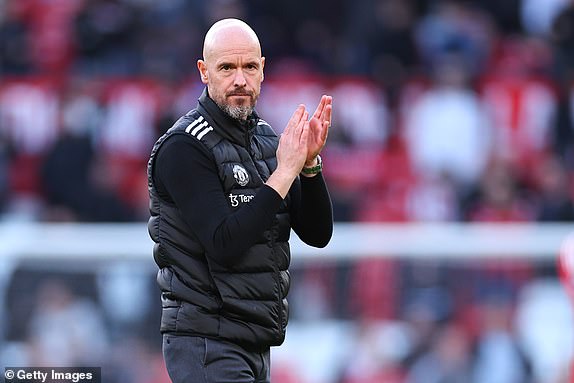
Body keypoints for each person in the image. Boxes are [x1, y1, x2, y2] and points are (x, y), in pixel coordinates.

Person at [146, 18, 334, 383]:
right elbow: (224, 243)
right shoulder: (183, 147)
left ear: (262, 69)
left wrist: (309, 166)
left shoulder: (266, 140)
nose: (240, 80)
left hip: (253, 342)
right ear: (204, 72)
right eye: (227, 68)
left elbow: (317, 233)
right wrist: (284, 173)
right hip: (205, 343)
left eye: (249, 67)